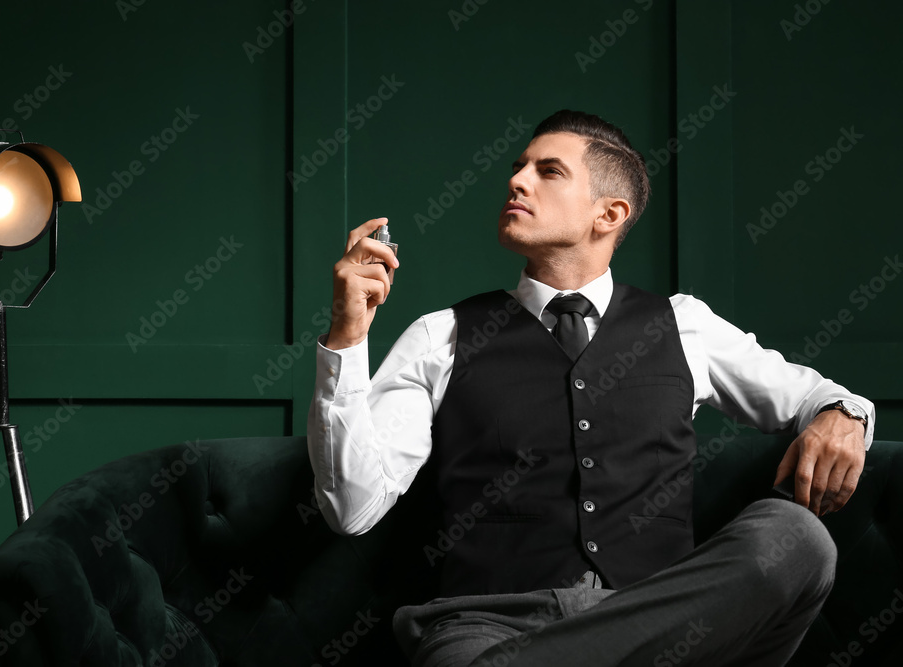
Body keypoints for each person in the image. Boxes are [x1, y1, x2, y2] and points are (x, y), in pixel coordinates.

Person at [306, 110, 874, 666]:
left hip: (657, 626)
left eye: (547, 171)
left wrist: (841, 414)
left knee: (797, 537)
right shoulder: (442, 335)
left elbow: (814, 396)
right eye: (518, 166)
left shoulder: (684, 325)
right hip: (490, 629)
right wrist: (348, 337)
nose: (516, 180)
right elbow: (352, 508)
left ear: (609, 213)